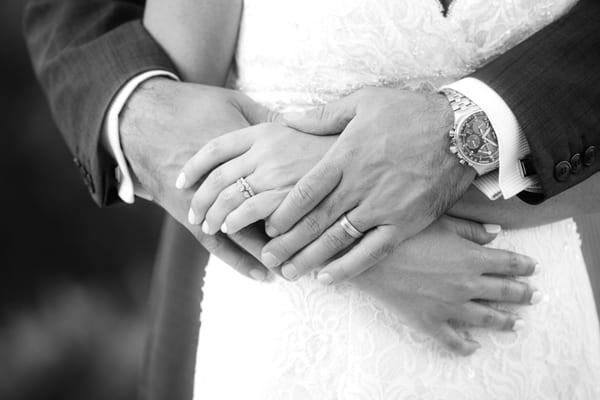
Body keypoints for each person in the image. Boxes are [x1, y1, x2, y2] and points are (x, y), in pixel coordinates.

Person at [23, 0, 600, 399]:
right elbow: (180, 93)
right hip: (281, 336)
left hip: (541, 329)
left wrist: (460, 140)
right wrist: (360, 243)